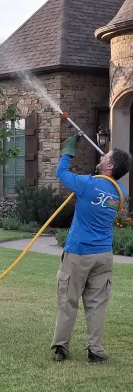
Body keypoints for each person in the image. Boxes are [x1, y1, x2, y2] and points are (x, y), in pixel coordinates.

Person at [51, 135, 132, 363]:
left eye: (105, 156)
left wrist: (68, 150)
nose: (101, 155)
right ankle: (95, 351)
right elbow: (103, 186)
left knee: (68, 300)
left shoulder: (87, 184)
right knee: (97, 305)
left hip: (78, 253)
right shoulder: (121, 193)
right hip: (103, 256)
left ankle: (60, 348)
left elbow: (61, 173)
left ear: (110, 166)